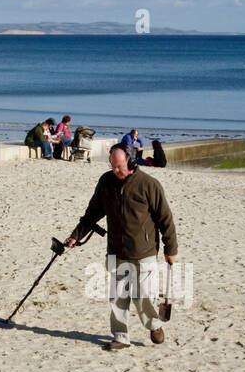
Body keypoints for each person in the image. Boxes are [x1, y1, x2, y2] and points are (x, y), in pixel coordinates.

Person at [66, 144, 178, 350]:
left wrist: (170, 249)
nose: (116, 171)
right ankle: (120, 337)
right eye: (113, 166)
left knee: (143, 294)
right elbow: (92, 213)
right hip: (116, 250)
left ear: (131, 162)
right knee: (118, 296)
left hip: (143, 251)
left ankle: (154, 324)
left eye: (119, 167)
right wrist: (76, 235)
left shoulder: (149, 184)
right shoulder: (106, 182)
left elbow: (165, 219)